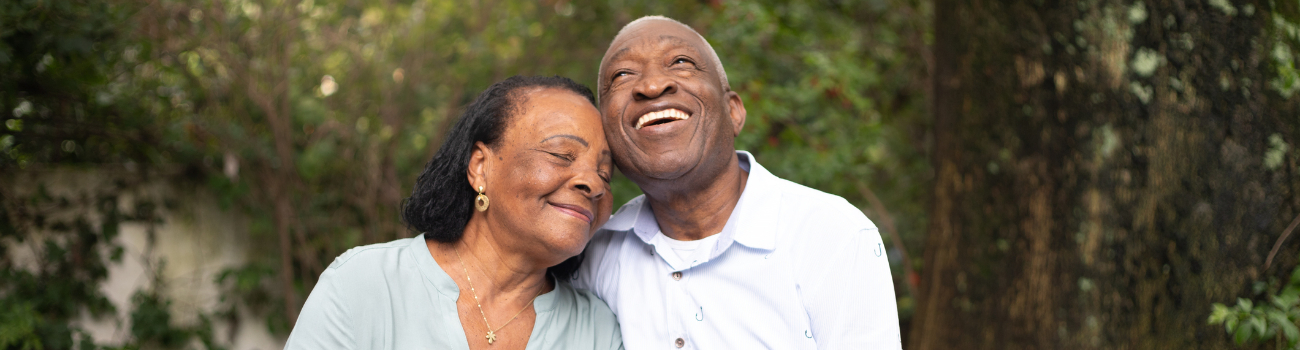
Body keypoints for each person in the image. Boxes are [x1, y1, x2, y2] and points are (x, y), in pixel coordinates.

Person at [573, 16, 902, 349]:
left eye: (681, 62)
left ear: (734, 112)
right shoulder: (592, 252)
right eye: (623, 75)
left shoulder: (832, 234)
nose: (653, 85)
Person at [286, 76, 623, 350]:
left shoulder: (598, 332)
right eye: (562, 154)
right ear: (480, 167)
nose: (593, 183)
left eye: (605, 174)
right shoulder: (364, 285)